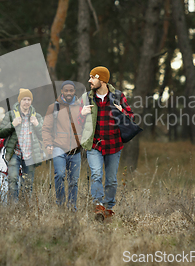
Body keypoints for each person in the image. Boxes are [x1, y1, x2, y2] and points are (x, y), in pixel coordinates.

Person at [79, 66, 134, 219]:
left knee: (111, 180)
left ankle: (108, 208)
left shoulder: (118, 96)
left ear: (102, 80)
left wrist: (122, 112)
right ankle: (98, 206)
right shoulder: (86, 98)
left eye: (93, 77)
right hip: (94, 145)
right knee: (96, 174)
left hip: (114, 145)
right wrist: (81, 114)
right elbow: (76, 122)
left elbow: (131, 117)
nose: (90, 80)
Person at [0, 88, 44, 203]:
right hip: (15, 153)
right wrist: (12, 124)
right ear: (19, 101)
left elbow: (44, 136)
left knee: (28, 183)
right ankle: (14, 206)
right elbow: (0, 132)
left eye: (29, 99)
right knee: (13, 179)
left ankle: (25, 208)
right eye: (24, 99)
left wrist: (37, 125)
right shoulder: (11, 115)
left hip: (30, 155)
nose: (26, 102)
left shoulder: (36, 117)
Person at [42, 80, 83, 211]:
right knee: (59, 175)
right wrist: (48, 144)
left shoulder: (81, 107)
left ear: (74, 91)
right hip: (58, 147)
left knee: (74, 181)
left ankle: (72, 207)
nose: (69, 93)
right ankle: (60, 204)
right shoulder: (53, 107)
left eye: (71, 90)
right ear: (62, 92)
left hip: (76, 149)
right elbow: (46, 128)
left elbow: (86, 126)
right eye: (66, 90)